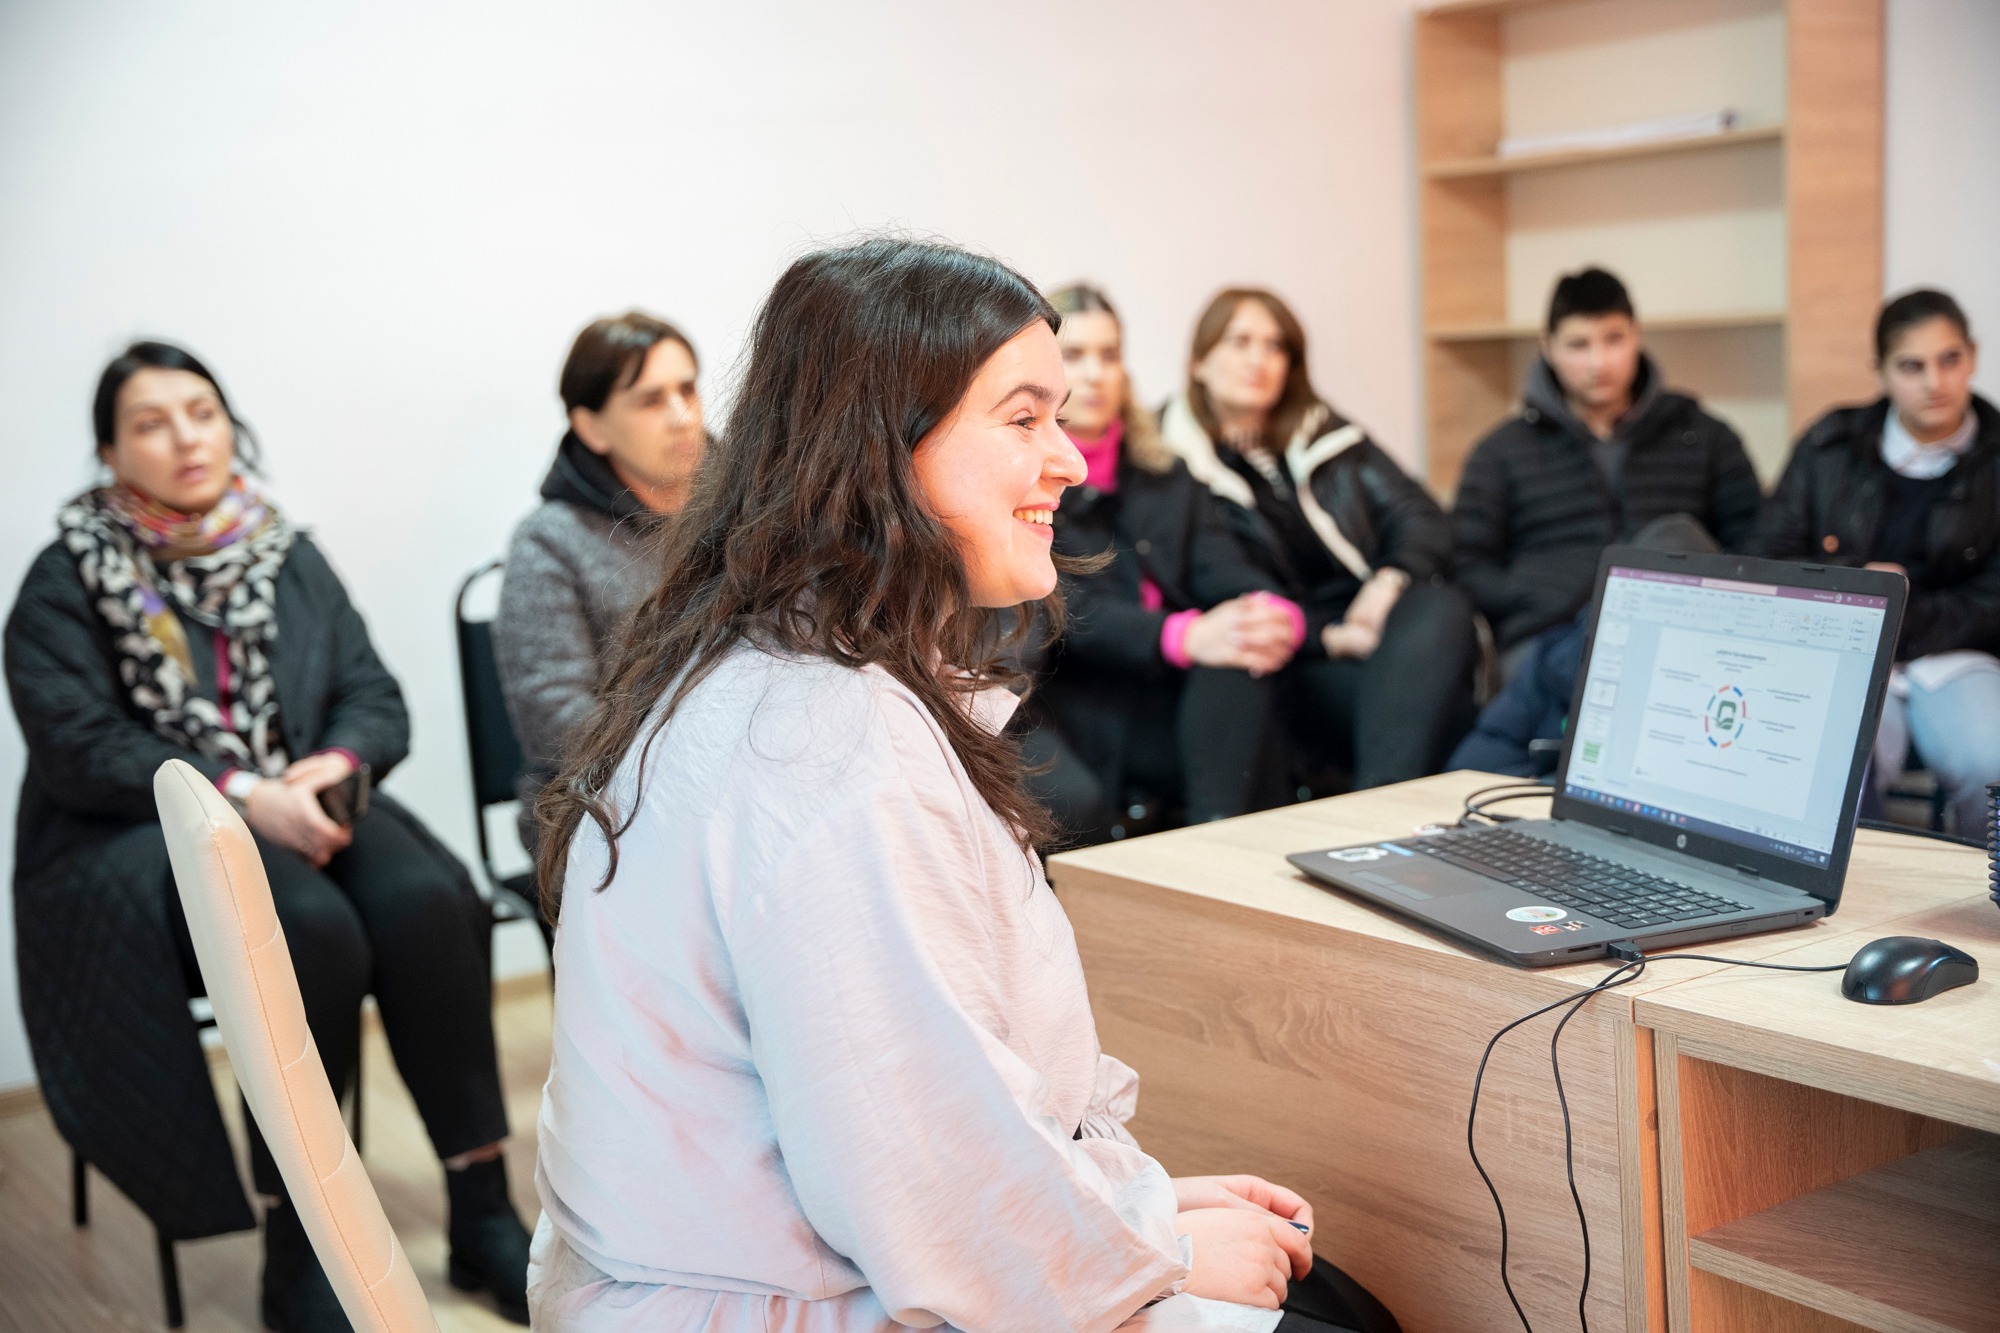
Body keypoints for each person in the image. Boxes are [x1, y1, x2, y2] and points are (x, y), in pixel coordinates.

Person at [528, 239, 1379, 1332]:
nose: (1069, 462)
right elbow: (923, 1172)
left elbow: (939, 1108)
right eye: (1023, 419)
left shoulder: (794, 671)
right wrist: (1153, 1243)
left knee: (1336, 1294)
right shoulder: (825, 743)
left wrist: (1133, 1198)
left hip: (821, 1253)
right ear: (882, 448)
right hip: (792, 1292)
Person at [4, 342, 532, 1331]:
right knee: (303, 932)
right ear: (109, 452)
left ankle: (481, 1205)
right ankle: (302, 1243)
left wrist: (330, 767)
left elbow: (371, 694)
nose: (185, 438)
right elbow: (80, 745)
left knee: (428, 902)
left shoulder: (284, 552)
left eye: (201, 412)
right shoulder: (67, 579)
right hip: (147, 830)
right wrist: (244, 793)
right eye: (151, 423)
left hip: (301, 797)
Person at [1160, 288, 1475, 790]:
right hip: (1297, 653)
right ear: (1200, 362)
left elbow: (1421, 517)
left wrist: (1387, 583)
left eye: (1275, 346)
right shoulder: (1173, 462)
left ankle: (1380, 800)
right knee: (1433, 707)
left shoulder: (1324, 434)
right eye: (1240, 342)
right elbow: (1221, 581)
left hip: (1378, 625)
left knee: (1440, 605)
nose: (1259, 360)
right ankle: (1384, 803)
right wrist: (1329, 635)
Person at [1020, 283, 1303, 843]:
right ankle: (1220, 849)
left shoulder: (1163, 471)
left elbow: (1224, 567)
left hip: (1180, 697)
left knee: (1239, 657)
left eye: (1110, 355)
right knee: (1230, 669)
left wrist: (1269, 613)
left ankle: (1218, 844)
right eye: (1076, 356)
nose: (1096, 374)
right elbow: (1066, 608)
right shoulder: (1030, 479)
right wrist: (1183, 635)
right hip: (1088, 698)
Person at [1748, 289, 2000, 834]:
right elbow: (1769, 556)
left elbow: (1993, 600)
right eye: (1912, 366)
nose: (1934, 382)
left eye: (1949, 359)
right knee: (1831, 767)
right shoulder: (1829, 445)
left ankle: (1978, 891)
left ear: (1973, 357)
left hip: (1959, 653)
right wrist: (1856, 591)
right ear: (1880, 371)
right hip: (1847, 646)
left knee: (1990, 765)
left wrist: (1900, 609)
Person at [1451, 267, 1764, 677]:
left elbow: (1755, 545)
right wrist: (1533, 596)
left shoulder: (1704, 436)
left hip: (1680, 635)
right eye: (1578, 344)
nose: (1598, 362)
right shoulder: (1501, 452)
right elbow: (1468, 563)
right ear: (1548, 348)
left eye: (1614, 339)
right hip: (1549, 638)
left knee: (1676, 537)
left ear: (1636, 336)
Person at [495, 311, 705, 853]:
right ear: (592, 427)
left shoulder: (750, 514)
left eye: (687, 389)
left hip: (734, 786)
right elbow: (556, 717)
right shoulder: (550, 541)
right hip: (601, 805)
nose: (682, 416)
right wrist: (698, 759)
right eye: (650, 400)